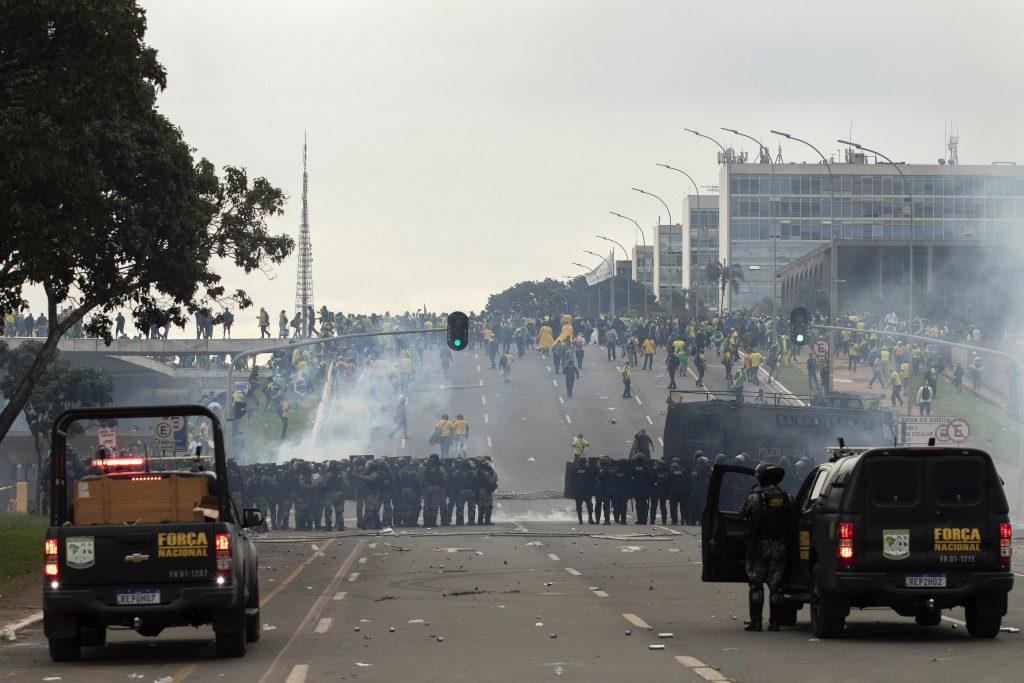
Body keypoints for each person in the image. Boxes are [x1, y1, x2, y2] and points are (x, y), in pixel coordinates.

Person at [739, 462, 793, 632]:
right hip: (779, 547)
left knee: (756, 584)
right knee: (776, 586)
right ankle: (775, 622)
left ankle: (756, 622)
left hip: (758, 547)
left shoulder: (755, 498)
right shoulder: (787, 498)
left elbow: (742, 515)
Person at [571, 457, 595, 524]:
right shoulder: (588, 469)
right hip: (587, 490)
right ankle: (590, 518)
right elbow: (592, 479)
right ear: (585, 462)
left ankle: (580, 520)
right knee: (589, 504)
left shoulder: (575, 469)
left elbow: (571, 480)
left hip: (578, 490)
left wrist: (573, 489)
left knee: (578, 505)